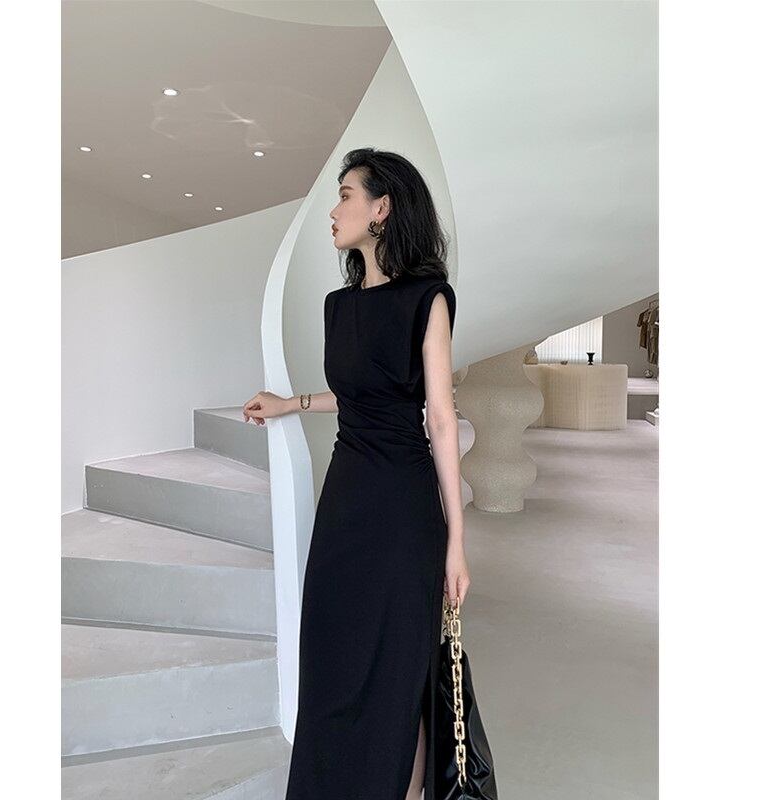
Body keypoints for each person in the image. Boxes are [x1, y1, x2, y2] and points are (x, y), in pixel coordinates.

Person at [243, 147, 469, 800]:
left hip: (403, 511)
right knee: (334, 664)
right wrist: (293, 403)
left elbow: (440, 418)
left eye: (345, 195)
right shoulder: (337, 306)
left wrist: (456, 540)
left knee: (399, 672)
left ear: (381, 208)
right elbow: (361, 394)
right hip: (345, 506)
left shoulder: (428, 298)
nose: (333, 210)